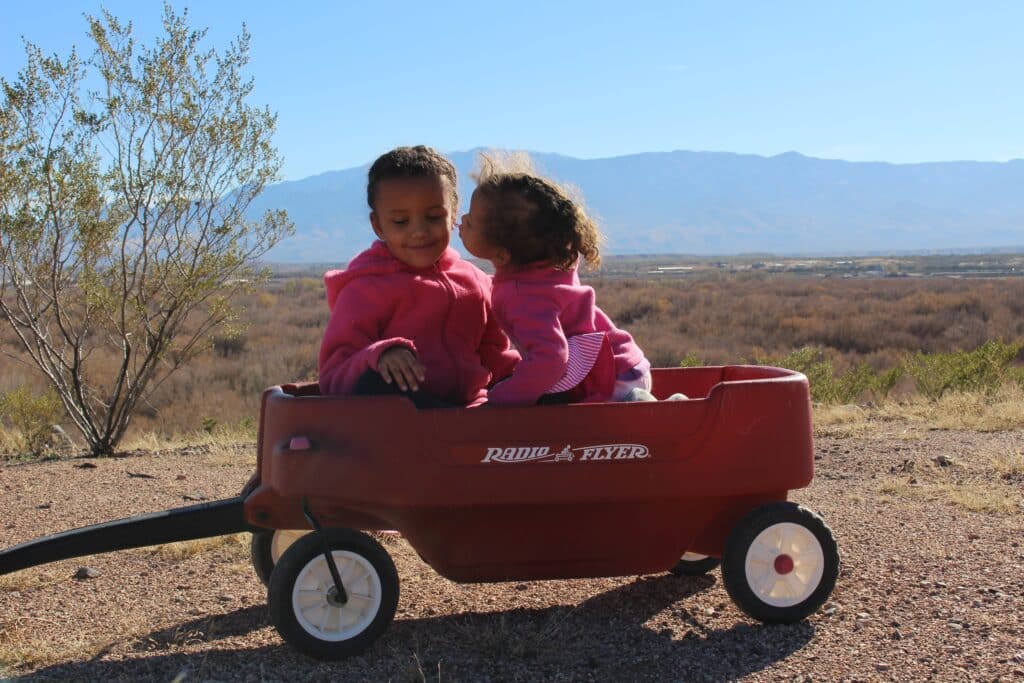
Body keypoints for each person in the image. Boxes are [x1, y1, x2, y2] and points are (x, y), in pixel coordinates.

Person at [458, 152, 666, 406]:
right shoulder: (546, 268)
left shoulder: (523, 298)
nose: (462, 220)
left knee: (587, 427)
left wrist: (501, 401)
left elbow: (551, 360)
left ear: (501, 255)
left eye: (470, 222)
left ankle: (637, 405)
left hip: (610, 379)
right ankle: (654, 404)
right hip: (625, 362)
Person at [318, 146, 519, 408]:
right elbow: (334, 377)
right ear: (378, 225)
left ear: (454, 213)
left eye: (434, 217)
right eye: (401, 221)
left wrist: (539, 370)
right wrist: (379, 355)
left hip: (471, 414)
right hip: (403, 424)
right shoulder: (365, 289)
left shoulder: (477, 283)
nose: (419, 232)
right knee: (375, 382)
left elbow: (496, 357)